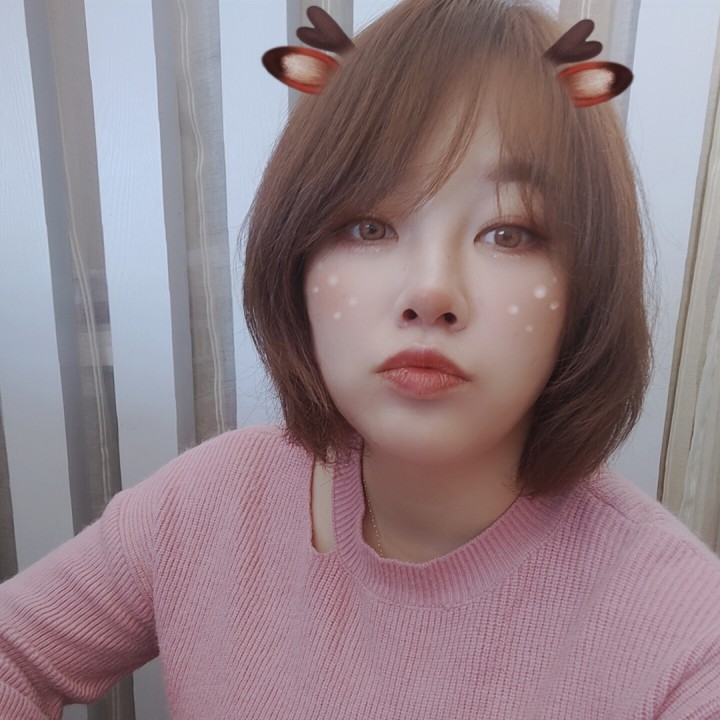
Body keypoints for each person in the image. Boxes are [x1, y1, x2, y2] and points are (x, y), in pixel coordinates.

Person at [2, 0, 720, 717]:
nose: (430, 292)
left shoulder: (684, 634)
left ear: (587, 283)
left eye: (509, 232)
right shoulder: (206, 506)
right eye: (370, 226)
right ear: (298, 258)